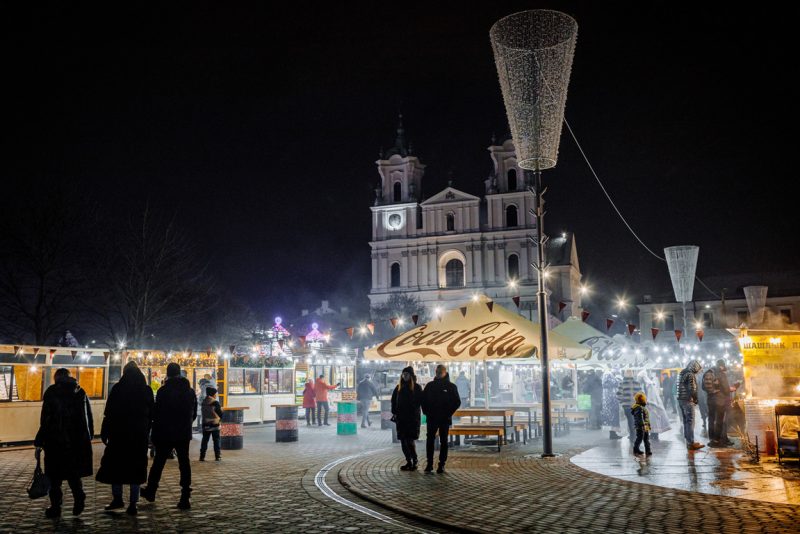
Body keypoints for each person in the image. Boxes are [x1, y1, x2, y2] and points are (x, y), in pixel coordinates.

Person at [34, 368, 94, 518]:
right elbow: (87, 416)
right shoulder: (79, 391)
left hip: (55, 441)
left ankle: (56, 507)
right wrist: (89, 435)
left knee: (54, 477)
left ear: (56, 379)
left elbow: (46, 420)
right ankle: (79, 497)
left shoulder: (52, 393)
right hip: (76, 442)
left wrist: (40, 439)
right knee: (73, 474)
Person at [96, 360, 154, 516]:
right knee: (135, 469)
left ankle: (117, 499)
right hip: (138, 436)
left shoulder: (118, 389)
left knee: (117, 467)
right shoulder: (146, 390)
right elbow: (152, 414)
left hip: (118, 435)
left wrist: (105, 431)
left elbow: (109, 412)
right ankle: (133, 504)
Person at [140, 362, 198, 509]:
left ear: (168, 374)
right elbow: (194, 413)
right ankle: (185, 496)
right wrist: (186, 424)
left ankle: (151, 490)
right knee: (184, 463)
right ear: (180, 373)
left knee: (158, 463)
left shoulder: (163, 391)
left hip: (165, 433)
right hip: (183, 433)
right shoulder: (190, 391)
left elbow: (156, 413)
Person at [421, 364, 461, 474]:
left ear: (445, 372)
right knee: (430, 440)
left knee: (443, 441)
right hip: (432, 417)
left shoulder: (451, 386)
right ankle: (429, 463)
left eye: (440, 372)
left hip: (443, 418)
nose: (438, 374)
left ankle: (441, 464)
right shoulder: (430, 386)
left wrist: (448, 413)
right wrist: (426, 412)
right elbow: (423, 400)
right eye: (437, 372)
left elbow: (457, 402)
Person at [391, 366, 423, 471]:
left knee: (410, 441)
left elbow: (419, 402)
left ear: (411, 375)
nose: (405, 376)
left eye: (407, 374)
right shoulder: (398, 387)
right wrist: (395, 412)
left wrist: (412, 410)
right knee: (403, 441)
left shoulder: (417, 388)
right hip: (401, 419)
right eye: (403, 374)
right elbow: (393, 401)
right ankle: (408, 461)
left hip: (412, 419)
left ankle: (415, 460)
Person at [704, 359, 740, 447]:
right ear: (722, 366)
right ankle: (717, 441)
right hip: (719, 401)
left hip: (710, 400)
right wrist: (734, 387)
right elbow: (726, 389)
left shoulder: (707, 372)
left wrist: (714, 391)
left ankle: (712, 439)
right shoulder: (720, 373)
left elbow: (703, 387)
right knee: (720, 421)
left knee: (711, 420)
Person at [677, 360, 704, 451]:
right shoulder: (690, 374)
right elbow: (692, 389)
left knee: (686, 421)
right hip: (688, 401)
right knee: (690, 422)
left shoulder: (681, 373)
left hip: (681, 400)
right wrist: (695, 399)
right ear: (694, 367)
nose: (697, 371)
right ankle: (691, 443)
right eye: (697, 368)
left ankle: (688, 441)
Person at [636, 369, 670, 440]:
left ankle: (655, 434)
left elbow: (653, 396)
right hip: (647, 405)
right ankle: (652, 433)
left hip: (653, 405)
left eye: (639, 378)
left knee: (654, 420)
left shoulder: (649, 385)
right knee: (649, 420)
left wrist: (648, 401)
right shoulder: (644, 385)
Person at [616, 369, 641, 443]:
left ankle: (633, 436)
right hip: (636, 405)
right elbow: (640, 394)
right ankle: (634, 435)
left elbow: (619, 394)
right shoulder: (637, 383)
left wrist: (621, 401)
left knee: (631, 420)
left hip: (626, 405)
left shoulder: (622, 383)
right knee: (633, 420)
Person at [200, 387, 224, 461]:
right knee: (216, 441)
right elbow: (220, 414)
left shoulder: (203, 402)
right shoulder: (215, 402)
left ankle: (202, 456)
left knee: (204, 440)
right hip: (214, 425)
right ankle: (218, 456)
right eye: (215, 394)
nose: (216, 395)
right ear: (213, 394)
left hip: (205, 424)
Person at [602, 369, 623, 439]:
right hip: (612, 401)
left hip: (609, 401)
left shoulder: (607, 378)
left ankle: (613, 433)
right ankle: (613, 434)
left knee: (612, 418)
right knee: (613, 418)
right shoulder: (609, 375)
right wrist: (618, 377)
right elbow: (617, 383)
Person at [631, 391, 652, 457]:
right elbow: (639, 418)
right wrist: (642, 425)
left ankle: (648, 450)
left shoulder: (640, 407)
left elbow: (644, 418)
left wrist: (647, 425)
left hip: (644, 426)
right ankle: (636, 449)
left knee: (646, 438)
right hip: (641, 426)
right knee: (640, 438)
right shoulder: (638, 408)